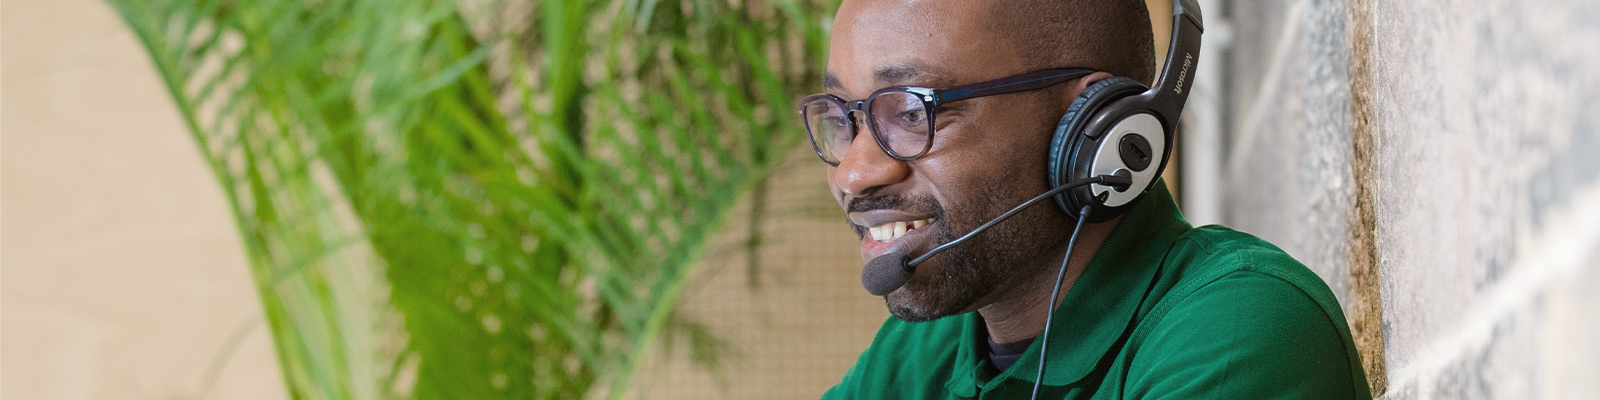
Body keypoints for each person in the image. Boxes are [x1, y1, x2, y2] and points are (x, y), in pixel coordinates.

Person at [800, 0, 1373, 398]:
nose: (854, 174)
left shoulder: (1237, 332)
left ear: (1095, 131)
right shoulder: (926, 350)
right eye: (843, 117)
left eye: (911, 112)